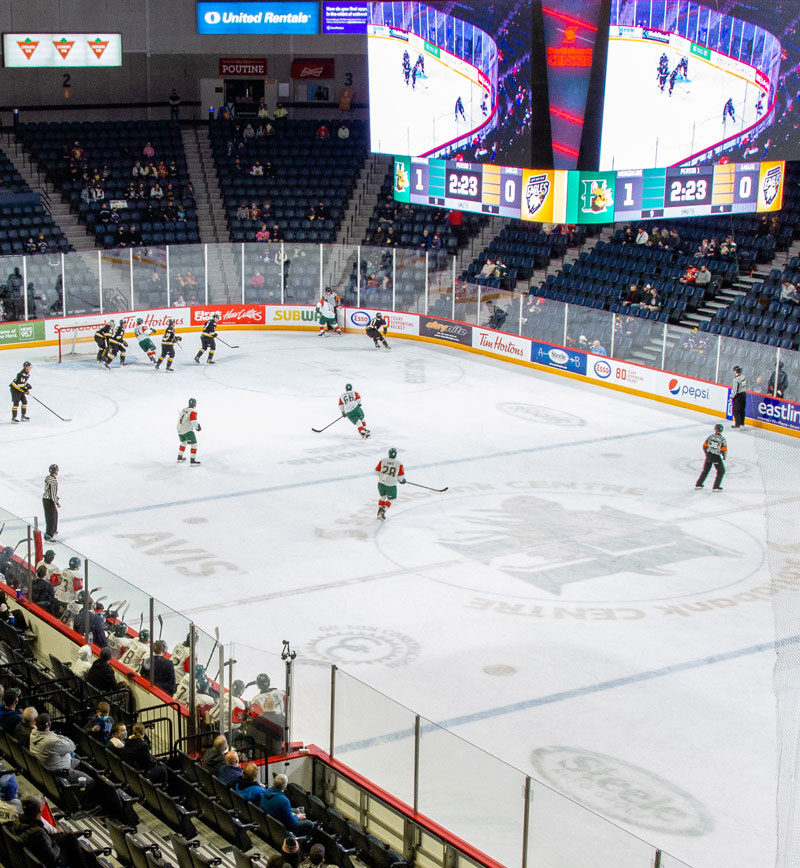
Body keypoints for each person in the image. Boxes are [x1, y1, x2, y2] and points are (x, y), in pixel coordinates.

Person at [12, 794, 87, 868]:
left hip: (38, 848)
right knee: (72, 846)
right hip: (52, 861)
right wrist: (54, 843)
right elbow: (53, 856)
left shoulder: (19, 821)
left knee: (69, 837)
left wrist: (58, 834)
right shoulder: (38, 832)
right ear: (40, 809)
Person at [375, 447, 405, 521]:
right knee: (391, 499)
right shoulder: (399, 463)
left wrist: (383, 475)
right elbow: (400, 477)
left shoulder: (383, 460)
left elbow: (376, 471)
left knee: (383, 496)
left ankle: (379, 511)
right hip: (391, 485)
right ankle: (383, 511)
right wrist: (402, 480)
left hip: (381, 483)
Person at [695, 423, 727, 491]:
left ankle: (698, 484)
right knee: (721, 471)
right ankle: (716, 487)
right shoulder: (722, 439)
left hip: (709, 456)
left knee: (705, 470)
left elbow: (704, 446)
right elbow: (724, 449)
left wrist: (707, 453)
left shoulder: (710, 437)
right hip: (716, 457)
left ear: (715, 429)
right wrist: (724, 456)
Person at [177, 398, 202, 465]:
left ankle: (179, 457)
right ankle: (192, 461)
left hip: (179, 430)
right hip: (187, 430)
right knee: (194, 444)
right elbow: (193, 422)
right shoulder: (193, 411)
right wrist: (197, 427)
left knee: (183, 443)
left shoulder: (183, 409)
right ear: (195, 404)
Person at [42, 464, 60, 542]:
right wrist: (57, 502)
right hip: (49, 500)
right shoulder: (53, 481)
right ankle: (48, 535)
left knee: (54, 515)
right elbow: (53, 494)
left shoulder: (48, 477)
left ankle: (53, 530)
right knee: (51, 518)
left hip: (46, 499)